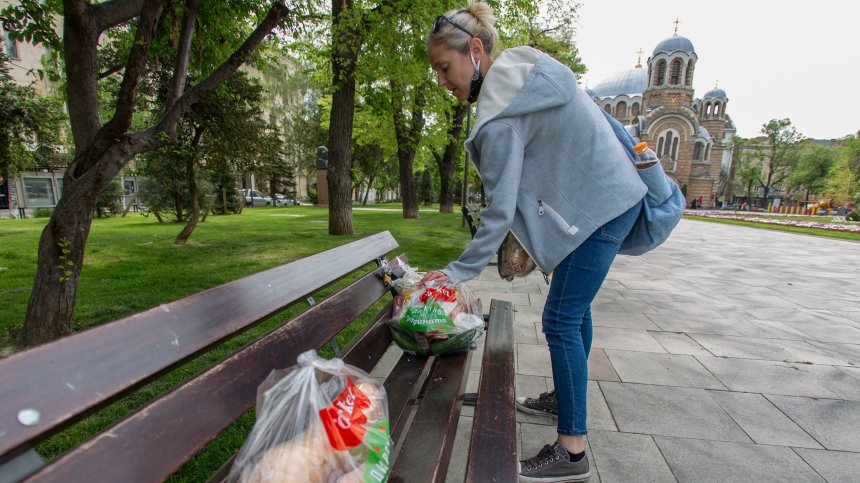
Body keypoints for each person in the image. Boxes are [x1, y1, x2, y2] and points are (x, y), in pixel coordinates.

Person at [422, 2, 648, 481]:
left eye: (445, 68)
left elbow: (498, 211)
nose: (442, 81)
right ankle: (565, 401)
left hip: (600, 208)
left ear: (476, 51)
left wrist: (458, 271)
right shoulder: (523, 74)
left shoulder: (501, 111)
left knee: (561, 319)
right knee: (574, 313)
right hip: (610, 197)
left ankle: (572, 451)